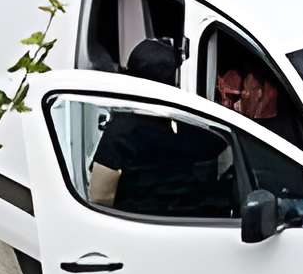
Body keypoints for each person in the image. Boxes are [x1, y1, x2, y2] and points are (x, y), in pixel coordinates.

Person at [86, 36, 230, 216]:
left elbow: (100, 196)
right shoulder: (190, 126)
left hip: (134, 226)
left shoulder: (121, 131)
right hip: (187, 224)